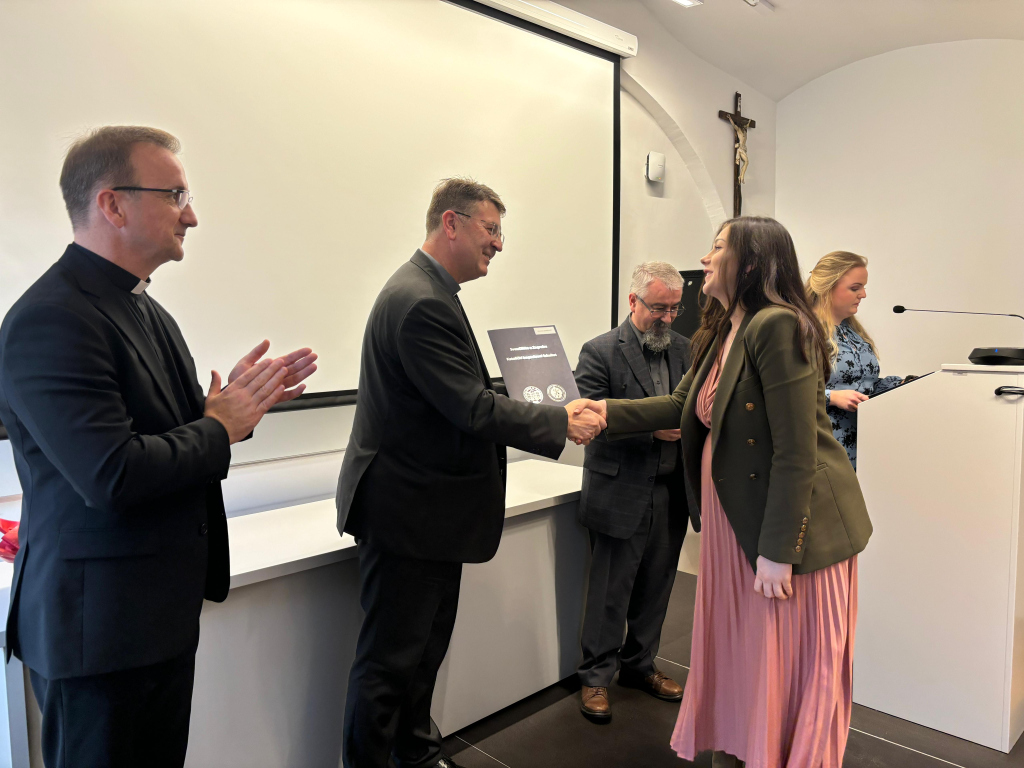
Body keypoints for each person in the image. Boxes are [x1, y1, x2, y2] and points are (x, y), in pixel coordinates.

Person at [0, 126, 316, 768]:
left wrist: (233, 412)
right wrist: (218, 426)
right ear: (112, 205)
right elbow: (112, 474)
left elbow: (173, 430)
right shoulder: (50, 319)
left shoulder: (146, 309)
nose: (191, 215)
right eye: (175, 195)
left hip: (151, 617)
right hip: (97, 633)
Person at [336, 177, 606, 768]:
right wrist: (558, 420)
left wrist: (550, 409)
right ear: (451, 223)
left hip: (426, 513)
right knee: (389, 665)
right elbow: (472, 407)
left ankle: (414, 754)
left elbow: (462, 397)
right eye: (491, 229)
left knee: (419, 655)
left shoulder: (430, 290)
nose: (499, 243)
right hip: (408, 515)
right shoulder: (421, 301)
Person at [586, 217, 871, 768]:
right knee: (748, 656)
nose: (706, 257)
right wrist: (603, 412)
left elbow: (797, 450)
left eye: (718, 247)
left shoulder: (777, 325)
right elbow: (681, 404)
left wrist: (779, 552)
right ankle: (745, 749)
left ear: (751, 262)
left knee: (784, 662)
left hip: (781, 532)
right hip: (735, 522)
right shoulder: (725, 327)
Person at [574, 261, 693, 721]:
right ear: (633, 300)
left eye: (674, 309)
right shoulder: (600, 350)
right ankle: (595, 677)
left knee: (657, 586)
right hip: (620, 490)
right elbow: (587, 420)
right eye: (658, 307)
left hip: (671, 490)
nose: (667, 317)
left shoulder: (687, 349)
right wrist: (651, 430)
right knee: (610, 591)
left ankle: (640, 665)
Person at [806, 251, 903, 469]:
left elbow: (864, 386)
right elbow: (783, 390)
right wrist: (831, 397)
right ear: (827, 287)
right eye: (855, 288)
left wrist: (902, 385)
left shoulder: (852, 332)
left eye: (863, 287)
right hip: (822, 448)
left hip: (863, 448)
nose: (863, 295)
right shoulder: (803, 329)